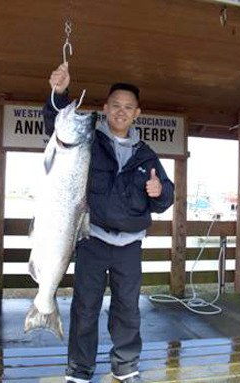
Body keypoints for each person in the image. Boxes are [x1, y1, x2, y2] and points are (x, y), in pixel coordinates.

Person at [43, 62, 174, 383]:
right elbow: (56, 125)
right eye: (115, 105)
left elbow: (165, 199)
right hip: (92, 240)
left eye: (128, 107)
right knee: (85, 308)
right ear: (105, 108)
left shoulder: (147, 155)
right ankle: (78, 371)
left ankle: (126, 367)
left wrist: (160, 192)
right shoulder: (88, 142)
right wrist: (59, 93)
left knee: (127, 310)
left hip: (129, 246)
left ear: (137, 113)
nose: (121, 111)